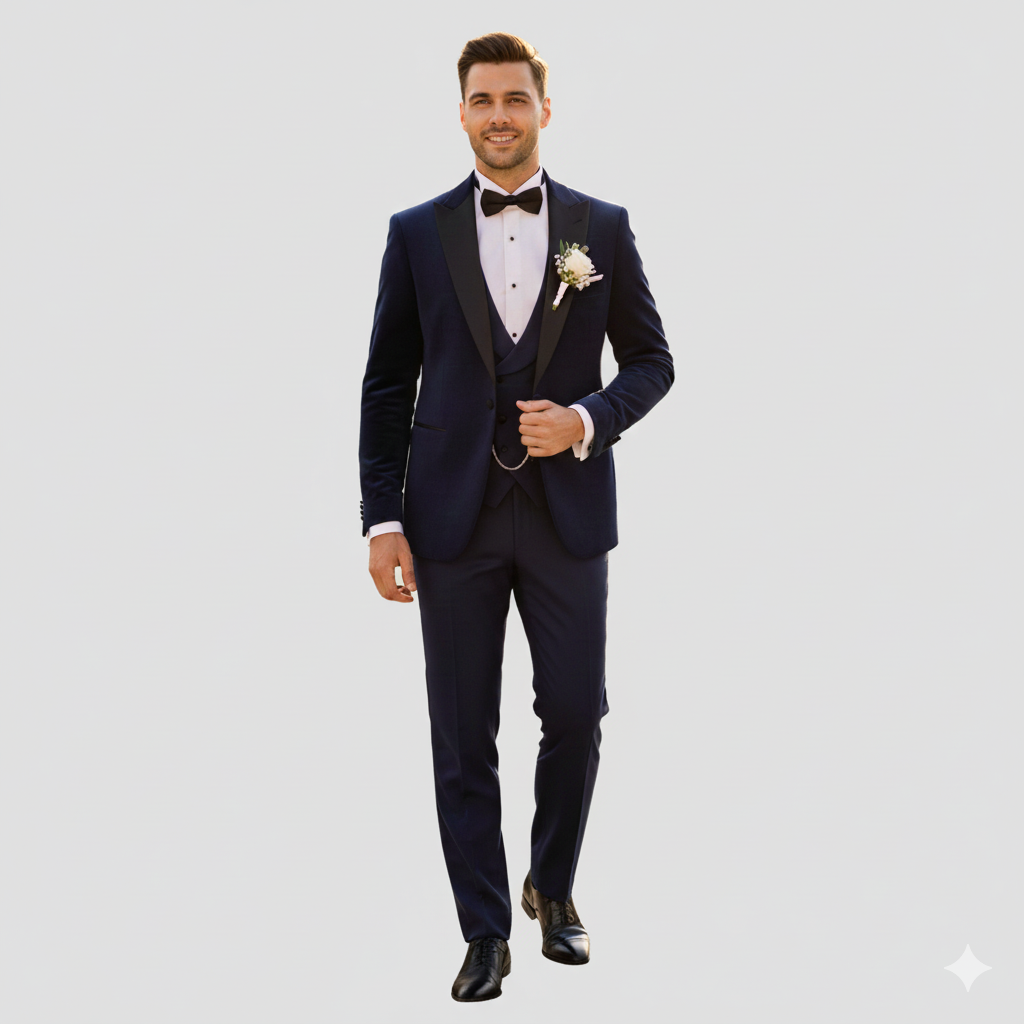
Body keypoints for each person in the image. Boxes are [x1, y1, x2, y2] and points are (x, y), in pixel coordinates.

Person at [358, 31, 674, 1002]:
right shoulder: (416, 233)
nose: (500, 116)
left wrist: (585, 420)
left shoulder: (601, 228)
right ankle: (484, 930)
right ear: (461, 112)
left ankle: (554, 885)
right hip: (447, 520)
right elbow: (386, 384)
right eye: (483, 100)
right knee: (462, 731)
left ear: (544, 110)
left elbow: (653, 362)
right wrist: (381, 521)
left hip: (566, 514)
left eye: (516, 99)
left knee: (575, 713)